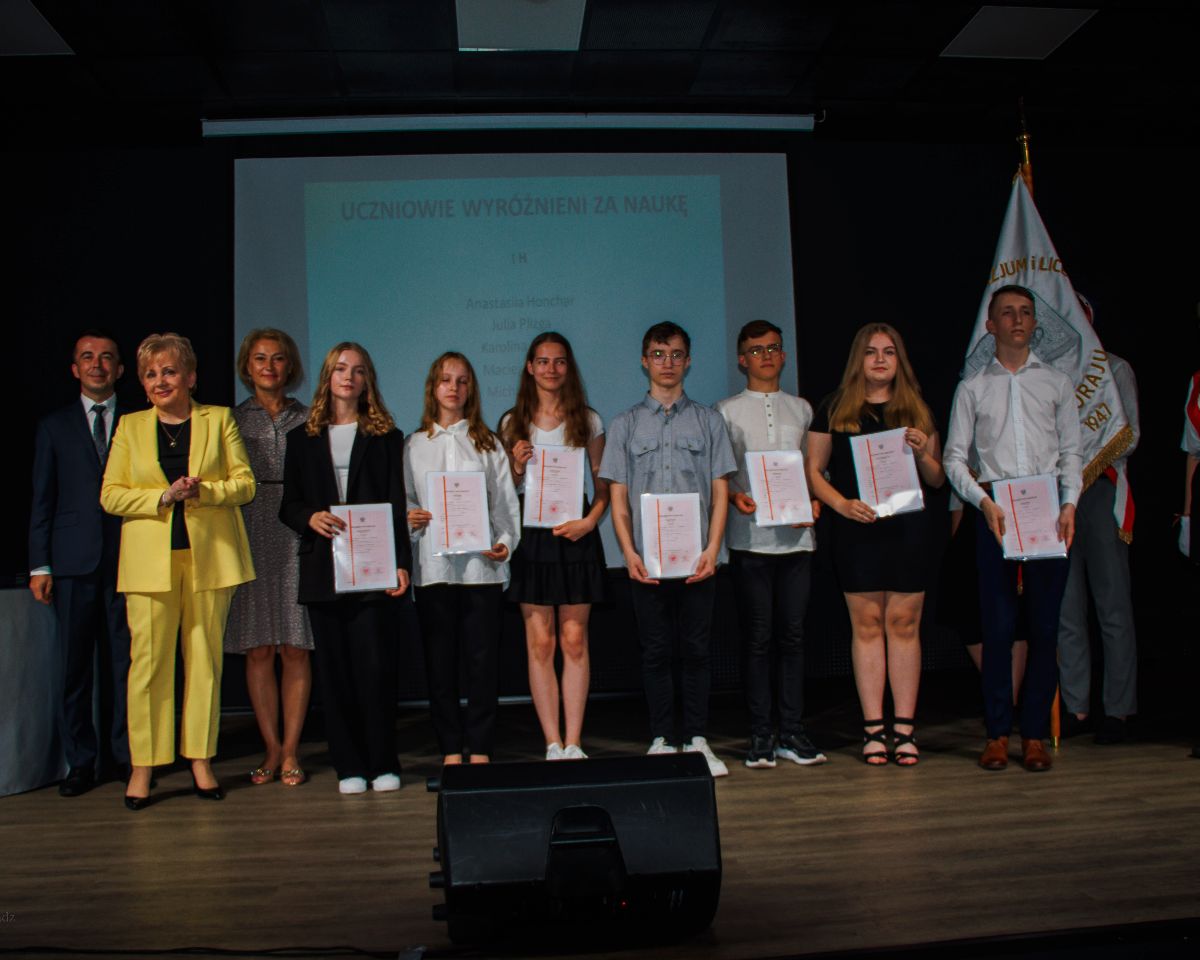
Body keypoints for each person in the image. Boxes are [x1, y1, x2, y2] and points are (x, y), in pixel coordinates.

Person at [100, 333, 256, 809]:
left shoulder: (219, 419)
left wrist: (205, 492)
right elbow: (110, 495)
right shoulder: (129, 426)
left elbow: (245, 484)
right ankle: (143, 767)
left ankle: (201, 761)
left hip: (210, 560)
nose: (159, 381)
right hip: (149, 564)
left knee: (205, 662)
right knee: (148, 666)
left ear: (190, 377)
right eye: (150, 374)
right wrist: (164, 496)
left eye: (169, 371)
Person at [943, 285, 1081, 772]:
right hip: (995, 511)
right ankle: (998, 733)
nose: (1018, 320)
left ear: (1034, 323)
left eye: (1025, 312)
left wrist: (1069, 504)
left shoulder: (1057, 383)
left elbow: (1072, 452)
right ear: (991, 325)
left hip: (1047, 510)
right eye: (1008, 313)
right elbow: (954, 458)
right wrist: (982, 501)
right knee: (998, 628)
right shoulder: (973, 387)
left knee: (1044, 627)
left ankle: (1035, 736)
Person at [598, 322, 736, 777]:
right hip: (647, 564)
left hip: (699, 561)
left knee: (696, 651)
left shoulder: (709, 421)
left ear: (688, 361)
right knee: (655, 651)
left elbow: (720, 492)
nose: (668, 363)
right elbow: (618, 499)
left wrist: (713, 549)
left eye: (676, 354)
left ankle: (696, 739)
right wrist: (629, 553)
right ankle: (661, 738)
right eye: (658, 354)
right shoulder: (624, 424)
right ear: (644, 361)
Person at [807, 323, 945, 766]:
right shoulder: (833, 408)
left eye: (889, 351)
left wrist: (922, 452)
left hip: (908, 533)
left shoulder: (917, 408)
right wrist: (841, 505)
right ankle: (872, 730)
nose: (880, 359)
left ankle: (903, 730)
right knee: (866, 627)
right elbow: (812, 471)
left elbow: (937, 478)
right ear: (858, 359)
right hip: (856, 530)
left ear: (900, 360)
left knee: (904, 625)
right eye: (871, 352)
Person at [279, 342, 413, 795]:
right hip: (324, 570)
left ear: (367, 380)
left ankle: (383, 763)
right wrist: (310, 517)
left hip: (374, 570)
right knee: (334, 674)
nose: (348, 377)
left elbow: (396, 505)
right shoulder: (301, 438)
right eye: (340, 369)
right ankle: (348, 766)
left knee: (375, 671)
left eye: (357, 370)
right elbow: (288, 505)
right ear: (327, 377)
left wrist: (401, 563)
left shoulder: (387, 437)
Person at [716, 320, 826, 769]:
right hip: (751, 540)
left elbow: (815, 472)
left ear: (783, 355)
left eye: (773, 348)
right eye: (756, 350)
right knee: (758, 639)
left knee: (794, 638)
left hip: (797, 540)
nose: (766, 356)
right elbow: (720, 475)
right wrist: (733, 495)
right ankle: (761, 734)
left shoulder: (802, 409)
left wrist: (815, 501)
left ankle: (793, 732)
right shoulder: (725, 411)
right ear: (742, 360)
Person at [29, 331, 132, 796]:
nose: (97, 364)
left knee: (125, 665)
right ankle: (81, 762)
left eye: (107, 357)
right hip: (72, 564)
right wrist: (40, 565)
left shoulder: (139, 421)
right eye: (88, 357)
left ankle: (126, 756)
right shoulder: (54, 426)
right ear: (75, 369)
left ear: (120, 370)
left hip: (130, 559)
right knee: (75, 669)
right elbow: (42, 499)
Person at [406, 352, 520, 766]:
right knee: (440, 665)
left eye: (462, 380)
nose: (453, 388)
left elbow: (505, 506)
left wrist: (505, 543)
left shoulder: (488, 444)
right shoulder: (414, 445)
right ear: (433, 387)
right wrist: (410, 517)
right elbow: (405, 500)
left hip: (480, 570)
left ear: (471, 389)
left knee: (482, 664)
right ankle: (451, 749)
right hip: (434, 570)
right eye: (445, 380)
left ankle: (481, 748)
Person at [499, 333, 609, 761]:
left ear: (569, 367)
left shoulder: (589, 419)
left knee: (575, 640)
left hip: (576, 533)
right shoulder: (512, 421)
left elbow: (603, 487)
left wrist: (590, 522)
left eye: (559, 361)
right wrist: (516, 465)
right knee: (540, 643)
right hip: (532, 538)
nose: (551, 369)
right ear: (529, 367)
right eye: (542, 361)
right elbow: (504, 490)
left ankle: (574, 742)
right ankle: (552, 742)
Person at [224, 329, 313, 786]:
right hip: (250, 530)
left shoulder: (309, 417)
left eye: (278, 358)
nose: (269, 366)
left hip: (297, 532)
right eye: (260, 358)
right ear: (248, 366)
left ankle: (293, 749)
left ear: (289, 366)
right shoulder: (231, 420)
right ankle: (271, 748)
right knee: (259, 648)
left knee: (295, 647)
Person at [1057, 343, 1139, 745]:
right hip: (1059, 494)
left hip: (1102, 489)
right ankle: (1077, 707)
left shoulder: (1114, 369)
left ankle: (1118, 709)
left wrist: (1085, 459)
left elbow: (1131, 434)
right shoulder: (1047, 373)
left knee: (1113, 604)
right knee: (1066, 607)